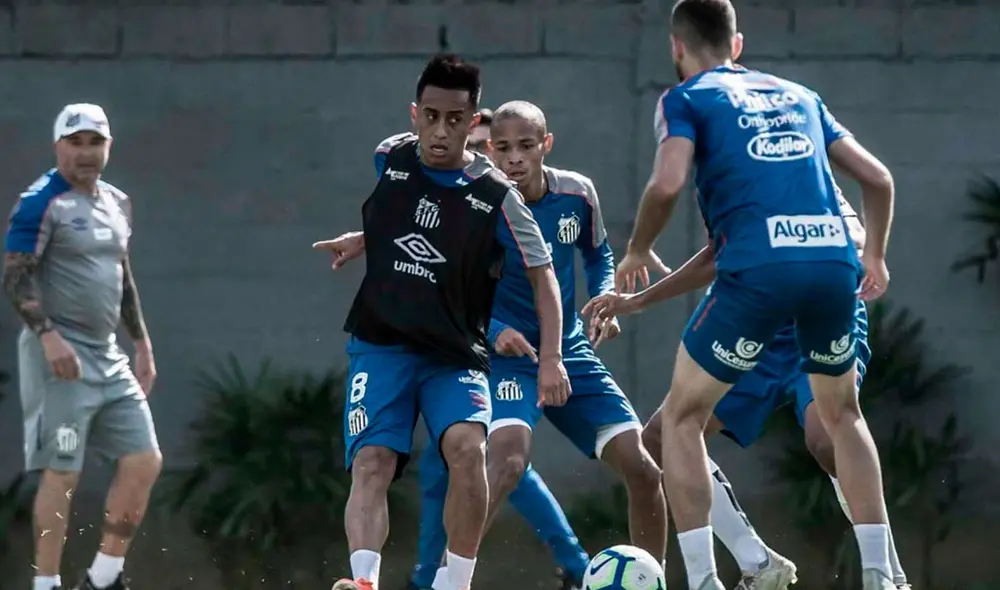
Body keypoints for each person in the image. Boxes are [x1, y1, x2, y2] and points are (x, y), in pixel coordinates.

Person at [602, 0, 897, 588]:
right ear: (738, 45)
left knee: (687, 420)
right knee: (840, 418)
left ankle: (707, 580)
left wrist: (636, 250)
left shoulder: (687, 100)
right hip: (827, 271)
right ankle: (862, 576)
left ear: (675, 49)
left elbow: (667, 183)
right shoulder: (799, 96)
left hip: (764, 287)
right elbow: (879, 178)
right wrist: (873, 257)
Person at [314, 55, 570, 590]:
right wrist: (362, 240)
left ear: (474, 121)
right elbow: (399, 218)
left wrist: (551, 359)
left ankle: (456, 582)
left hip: (454, 353)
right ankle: (363, 583)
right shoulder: (391, 159)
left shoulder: (498, 197)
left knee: (467, 450)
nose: (440, 131)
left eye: (455, 120)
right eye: (430, 116)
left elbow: (544, 276)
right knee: (373, 461)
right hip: (381, 344)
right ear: (414, 114)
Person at [587, 190, 911, 590]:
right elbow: (715, 253)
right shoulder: (715, 170)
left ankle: (890, 576)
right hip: (753, 325)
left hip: (818, 319)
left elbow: (862, 223)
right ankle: (758, 564)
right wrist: (638, 300)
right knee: (658, 437)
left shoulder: (798, 152)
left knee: (827, 440)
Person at [465, 101, 667, 571]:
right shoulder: (478, 206)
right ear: (491, 151)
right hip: (508, 357)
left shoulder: (578, 193)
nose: (514, 157)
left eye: (526, 146)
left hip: (569, 351)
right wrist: (495, 330)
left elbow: (597, 254)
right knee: (508, 464)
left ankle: (648, 581)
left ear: (545, 146)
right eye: (504, 148)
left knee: (643, 469)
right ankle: (448, 580)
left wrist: (603, 298)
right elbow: (452, 287)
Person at [409, 106, 591, 590]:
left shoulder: (532, 206)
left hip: (499, 357)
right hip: (456, 344)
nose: (503, 163)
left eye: (518, 148)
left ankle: (433, 579)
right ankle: (432, 576)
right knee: (450, 463)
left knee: (497, 460)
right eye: (491, 150)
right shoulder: (462, 204)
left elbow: (555, 273)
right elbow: (440, 277)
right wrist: (494, 328)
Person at [2, 104, 162, 590]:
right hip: (61, 360)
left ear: (108, 147)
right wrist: (48, 336)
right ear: (58, 147)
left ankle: (103, 577)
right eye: (76, 142)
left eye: (95, 142)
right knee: (62, 470)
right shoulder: (41, 202)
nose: (86, 152)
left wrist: (142, 344)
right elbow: (15, 275)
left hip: (107, 356)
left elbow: (122, 273)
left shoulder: (117, 201)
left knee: (144, 460)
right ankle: (46, 583)